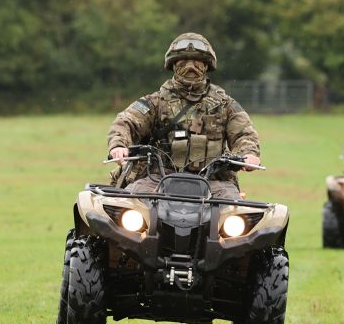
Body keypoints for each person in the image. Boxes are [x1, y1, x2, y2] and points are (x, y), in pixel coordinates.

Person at [107, 32, 261, 200]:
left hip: (213, 183)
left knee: (235, 211)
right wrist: (119, 146)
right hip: (157, 179)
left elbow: (244, 133)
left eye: (197, 62)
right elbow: (126, 122)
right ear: (173, 65)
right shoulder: (155, 102)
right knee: (132, 205)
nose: (190, 67)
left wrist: (249, 154)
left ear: (207, 65)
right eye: (183, 62)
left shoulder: (225, 105)